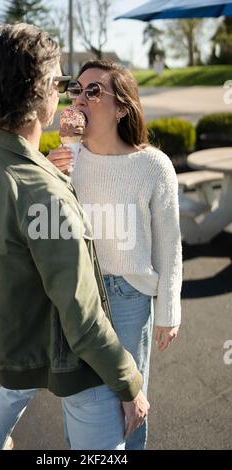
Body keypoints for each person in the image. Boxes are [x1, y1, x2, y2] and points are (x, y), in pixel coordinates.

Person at [0, 25, 149, 451]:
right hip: (82, 371)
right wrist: (130, 382)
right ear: (41, 91)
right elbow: (83, 317)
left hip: (16, 348)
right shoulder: (45, 193)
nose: (65, 93)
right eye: (60, 81)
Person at [48, 60, 183, 450]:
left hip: (129, 298)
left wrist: (169, 308)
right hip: (79, 293)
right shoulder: (65, 160)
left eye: (95, 91)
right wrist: (54, 177)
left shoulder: (154, 166)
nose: (81, 98)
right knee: (81, 396)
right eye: (77, 89)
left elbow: (169, 244)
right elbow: (54, 233)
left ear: (122, 107)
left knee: (129, 403)